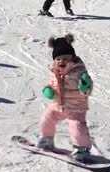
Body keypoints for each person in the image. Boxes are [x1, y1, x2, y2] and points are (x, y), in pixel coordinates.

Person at [37, 33, 93, 162]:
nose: (61, 61)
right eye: (58, 59)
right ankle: (47, 140)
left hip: (76, 107)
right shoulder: (54, 72)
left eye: (65, 58)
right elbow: (52, 84)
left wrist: (86, 87)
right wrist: (48, 90)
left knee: (77, 128)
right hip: (58, 105)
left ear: (72, 59)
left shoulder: (79, 71)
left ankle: (82, 149)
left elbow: (87, 89)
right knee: (46, 119)